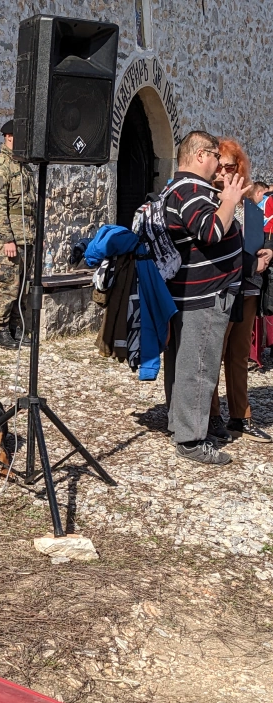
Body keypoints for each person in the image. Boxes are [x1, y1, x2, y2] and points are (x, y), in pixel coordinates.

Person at [164, 130, 250, 465]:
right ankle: (191, 440)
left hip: (194, 292)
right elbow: (210, 231)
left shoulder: (181, 189)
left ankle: (183, 424)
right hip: (204, 293)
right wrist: (229, 199)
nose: (219, 165)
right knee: (199, 366)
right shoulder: (191, 191)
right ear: (201, 154)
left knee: (186, 363)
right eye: (215, 156)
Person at [208, 140, 272, 443]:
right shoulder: (209, 201)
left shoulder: (251, 207)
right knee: (212, 354)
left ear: (240, 168)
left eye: (229, 166)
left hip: (248, 290)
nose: (223, 171)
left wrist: (268, 253)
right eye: (219, 165)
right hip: (221, 289)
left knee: (237, 354)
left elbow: (262, 239)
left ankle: (240, 415)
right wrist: (250, 264)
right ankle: (211, 416)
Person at [0, 120, 36, 349]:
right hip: (12, 238)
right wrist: (7, 238)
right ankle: (1, 330)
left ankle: (17, 328)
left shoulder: (23, 166)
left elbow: (30, 204)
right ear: (9, 137)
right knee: (8, 284)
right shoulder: (0, 167)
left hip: (27, 235)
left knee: (23, 285)